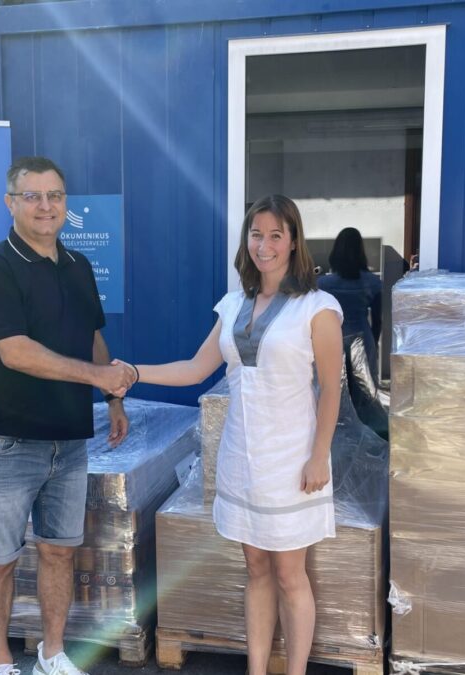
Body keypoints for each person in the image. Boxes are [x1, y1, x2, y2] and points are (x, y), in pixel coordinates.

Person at [132, 194, 343, 675]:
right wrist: (134, 372)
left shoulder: (317, 307)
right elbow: (195, 369)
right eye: (256, 234)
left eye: (275, 235)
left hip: (293, 460)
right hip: (241, 457)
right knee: (256, 569)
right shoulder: (232, 304)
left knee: (290, 574)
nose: (264, 245)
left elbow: (332, 388)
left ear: (294, 242)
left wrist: (319, 456)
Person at [0, 156, 135, 675]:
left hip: (70, 438)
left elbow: (92, 336)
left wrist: (112, 398)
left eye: (55, 196)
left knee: (59, 552)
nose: (46, 206)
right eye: (33, 196)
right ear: (10, 203)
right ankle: (0, 662)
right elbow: (15, 352)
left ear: (66, 203)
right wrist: (97, 377)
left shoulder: (78, 265)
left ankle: (52, 654)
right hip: (10, 438)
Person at [316, 227, 382, 378]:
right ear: (361, 252)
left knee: (334, 388)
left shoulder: (323, 284)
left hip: (332, 341)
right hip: (364, 340)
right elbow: (377, 321)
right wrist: (374, 345)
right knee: (365, 389)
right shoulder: (373, 282)